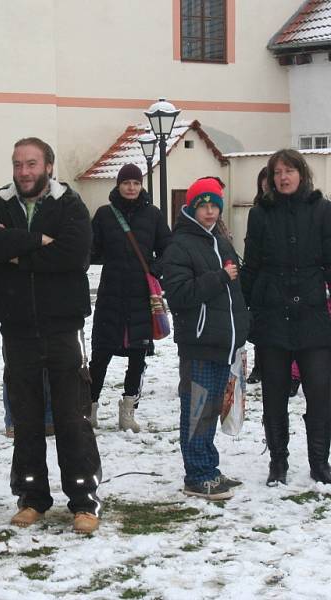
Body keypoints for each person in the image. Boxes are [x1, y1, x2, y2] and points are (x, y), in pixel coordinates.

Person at [0, 137, 102, 534]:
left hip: (63, 326)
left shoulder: (70, 204)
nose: (24, 172)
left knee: (71, 416)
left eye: (31, 164)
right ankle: (32, 498)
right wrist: (36, 242)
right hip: (16, 327)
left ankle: (83, 501)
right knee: (26, 417)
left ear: (48, 165)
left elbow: (74, 254)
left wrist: (16, 257)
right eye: (18, 164)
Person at [241, 149, 331, 486]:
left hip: (313, 314)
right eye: (277, 172)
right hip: (272, 315)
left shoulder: (322, 210)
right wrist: (244, 310)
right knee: (274, 393)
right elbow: (251, 265)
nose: (283, 177)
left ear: (301, 173)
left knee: (321, 393)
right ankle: (278, 462)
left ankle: (319, 462)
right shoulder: (261, 213)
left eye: (289, 170)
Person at [162, 177, 250, 500]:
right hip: (199, 343)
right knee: (197, 409)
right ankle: (197, 475)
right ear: (192, 207)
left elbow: (235, 293)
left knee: (212, 408)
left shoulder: (221, 240)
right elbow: (181, 294)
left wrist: (243, 327)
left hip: (223, 342)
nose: (210, 212)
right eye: (204, 206)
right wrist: (218, 278)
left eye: (215, 206)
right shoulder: (180, 245)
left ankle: (209, 468)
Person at [88, 163, 172, 432]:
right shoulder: (104, 214)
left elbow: (168, 249)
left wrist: (155, 270)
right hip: (111, 293)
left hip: (140, 296)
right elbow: (90, 249)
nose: (132, 187)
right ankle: (89, 408)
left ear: (141, 185)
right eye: (127, 183)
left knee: (138, 356)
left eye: (136, 183)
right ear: (118, 184)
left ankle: (128, 412)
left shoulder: (154, 215)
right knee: (100, 355)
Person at [246, 167, 268, 385]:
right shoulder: (257, 209)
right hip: (260, 276)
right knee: (260, 328)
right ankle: (258, 366)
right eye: (264, 180)